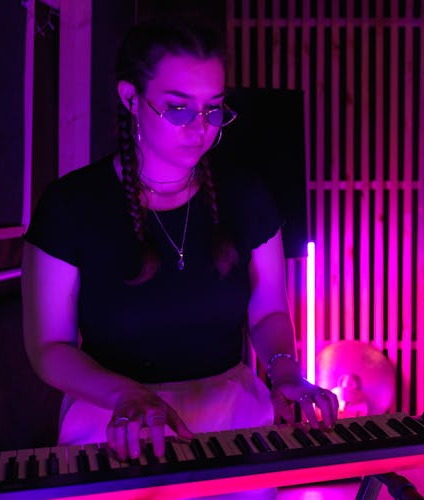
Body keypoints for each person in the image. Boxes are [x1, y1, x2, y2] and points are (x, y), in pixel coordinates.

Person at [21, 17, 338, 497]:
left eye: (214, 109)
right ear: (131, 98)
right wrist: (127, 394)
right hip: (114, 422)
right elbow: (49, 347)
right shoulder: (70, 206)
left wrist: (284, 370)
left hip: (232, 419)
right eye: (178, 109)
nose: (201, 128)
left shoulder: (245, 195)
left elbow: (269, 309)